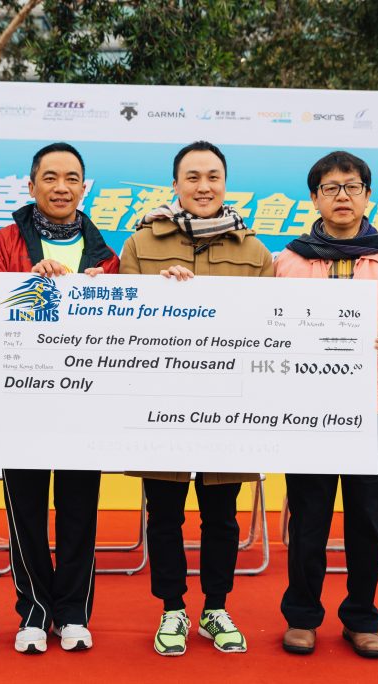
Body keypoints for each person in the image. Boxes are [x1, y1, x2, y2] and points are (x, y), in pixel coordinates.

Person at [274, 151, 378, 659]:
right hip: (307, 413)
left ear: (368, 195)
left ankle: (361, 618)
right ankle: (302, 616)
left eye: (352, 186)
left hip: (373, 409)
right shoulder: (288, 260)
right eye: (330, 187)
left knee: (367, 520)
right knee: (308, 519)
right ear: (314, 198)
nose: (342, 196)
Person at [119, 140, 273, 656]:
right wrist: (157, 297)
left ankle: (215, 608)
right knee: (164, 514)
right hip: (160, 403)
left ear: (225, 184)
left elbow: (268, 329)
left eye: (213, 177)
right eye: (192, 177)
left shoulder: (256, 253)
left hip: (230, 406)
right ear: (175, 185)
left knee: (221, 516)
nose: (203, 187)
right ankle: (172, 609)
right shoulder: (140, 244)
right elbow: (122, 322)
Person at [0, 142, 119, 655]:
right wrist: (25, 287)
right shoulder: (5, 242)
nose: (61, 187)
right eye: (50, 177)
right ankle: (34, 610)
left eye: (71, 178)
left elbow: (129, 325)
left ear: (84, 187)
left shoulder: (107, 256)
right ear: (31, 185)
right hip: (22, 402)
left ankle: (74, 612)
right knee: (26, 513)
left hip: (86, 404)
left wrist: (99, 290)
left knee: (80, 510)